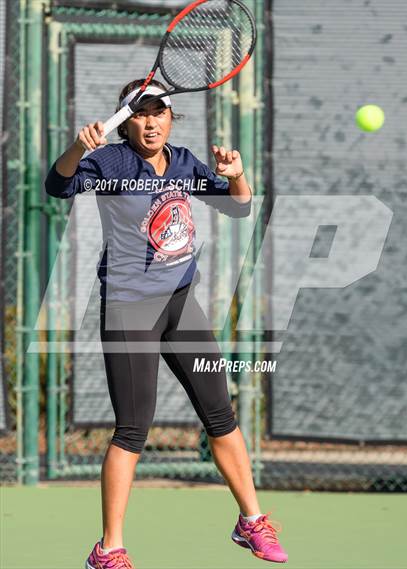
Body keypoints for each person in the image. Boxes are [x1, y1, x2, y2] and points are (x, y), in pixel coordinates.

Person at [45, 79, 288, 568]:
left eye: (159, 112)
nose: (151, 121)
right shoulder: (110, 162)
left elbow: (239, 208)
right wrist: (77, 147)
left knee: (221, 415)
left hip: (180, 306)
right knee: (132, 430)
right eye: (140, 113)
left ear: (171, 118)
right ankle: (108, 549)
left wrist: (236, 175)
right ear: (125, 121)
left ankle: (250, 521)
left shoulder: (183, 162)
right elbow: (57, 185)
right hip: (130, 309)